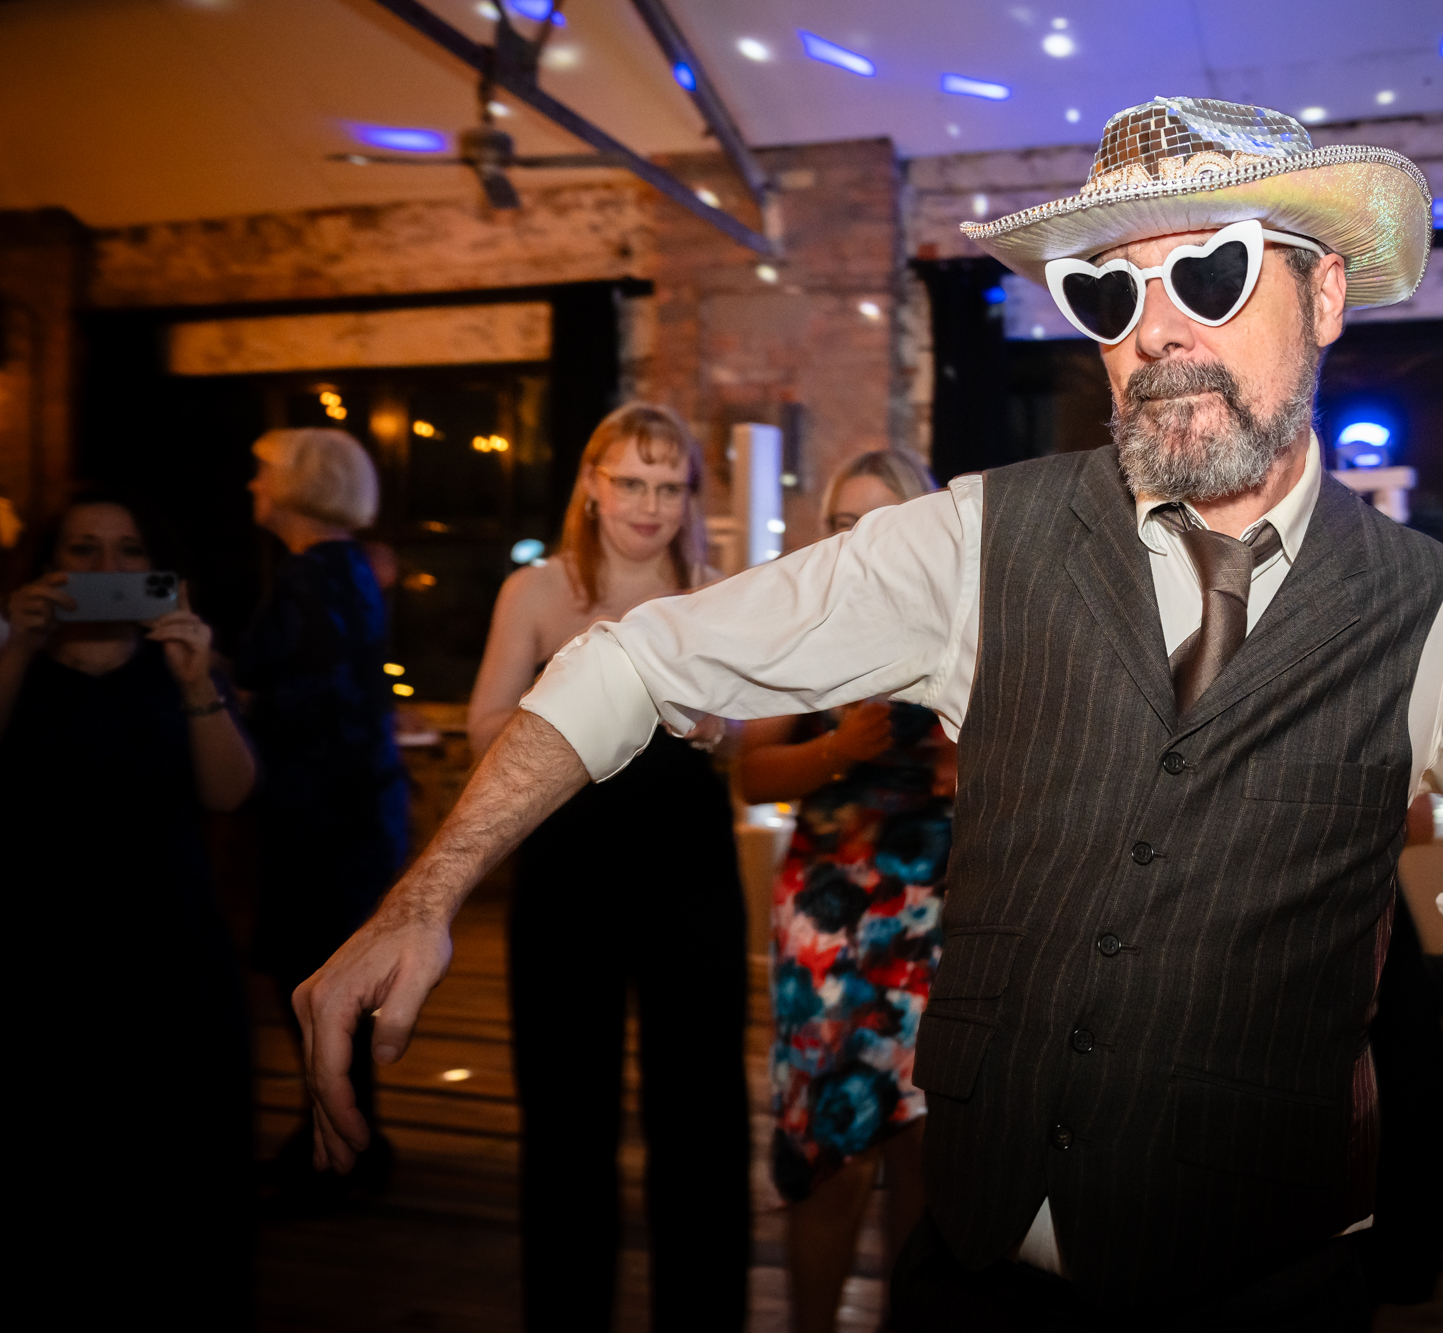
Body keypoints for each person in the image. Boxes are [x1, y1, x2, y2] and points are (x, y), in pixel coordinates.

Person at [295, 96, 1443, 1329]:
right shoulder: (977, 541)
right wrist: (429, 892)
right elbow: (642, 659)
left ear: (1327, 291)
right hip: (975, 1274)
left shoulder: (1430, 607)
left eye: (1211, 271)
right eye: (1106, 296)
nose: (1156, 331)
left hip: (1266, 1281)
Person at [465, 402, 747, 1331]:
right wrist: (583, 702)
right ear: (591, 482)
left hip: (689, 869)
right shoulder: (540, 591)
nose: (649, 504)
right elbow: (480, 730)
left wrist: (713, 723)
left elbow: (742, 733)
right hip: (567, 870)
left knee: (701, 1115)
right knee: (566, 1116)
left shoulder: (711, 586)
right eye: (631, 481)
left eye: (670, 487)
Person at [1, 495, 257, 1327]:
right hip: (40, 955)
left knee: (176, 1181)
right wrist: (17, 643)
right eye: (83, 549)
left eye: (126, 551)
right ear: (50, 562)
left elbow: (229, 791)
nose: (106, 569)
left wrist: (195, 682)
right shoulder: (18, 654)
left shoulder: (178, 662)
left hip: (170, 950)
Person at [737, 448, 954, 1333]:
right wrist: (842, 747)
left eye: (879, 520)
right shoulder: (802, 622)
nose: (858, 540)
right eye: (841, 523)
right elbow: (750, 774)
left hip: (941, 911)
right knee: (830, 1150)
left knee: (926, 1152)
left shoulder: (965, 623)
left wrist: (967, 761)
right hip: (829, 921)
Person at [237, 428, 410, 1206]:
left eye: (262, 473)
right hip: (355, 809)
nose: (252, 486)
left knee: (313, 983)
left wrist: (230, 698)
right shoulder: (346, 568)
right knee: (331, 981)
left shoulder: (310, 575)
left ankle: (336, 1145)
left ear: (300, 485)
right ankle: (346, 1132)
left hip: (321, 818)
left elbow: (313, 700)